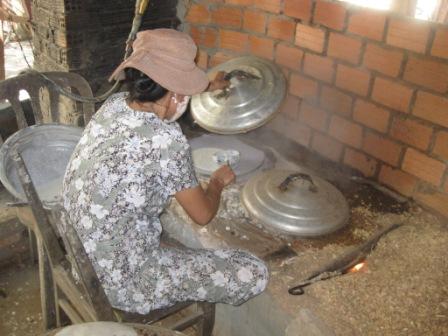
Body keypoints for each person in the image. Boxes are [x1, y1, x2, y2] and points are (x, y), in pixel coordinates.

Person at [62, 28, 268, 314]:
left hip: (85, 260)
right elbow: (203, 215)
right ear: (176, 94)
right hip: (125, 282)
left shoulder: (113, 107)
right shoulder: (167, 141)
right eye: (185, 91)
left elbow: (166, 90)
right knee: (252, 271)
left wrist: (209, 85)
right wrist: (218, 183)